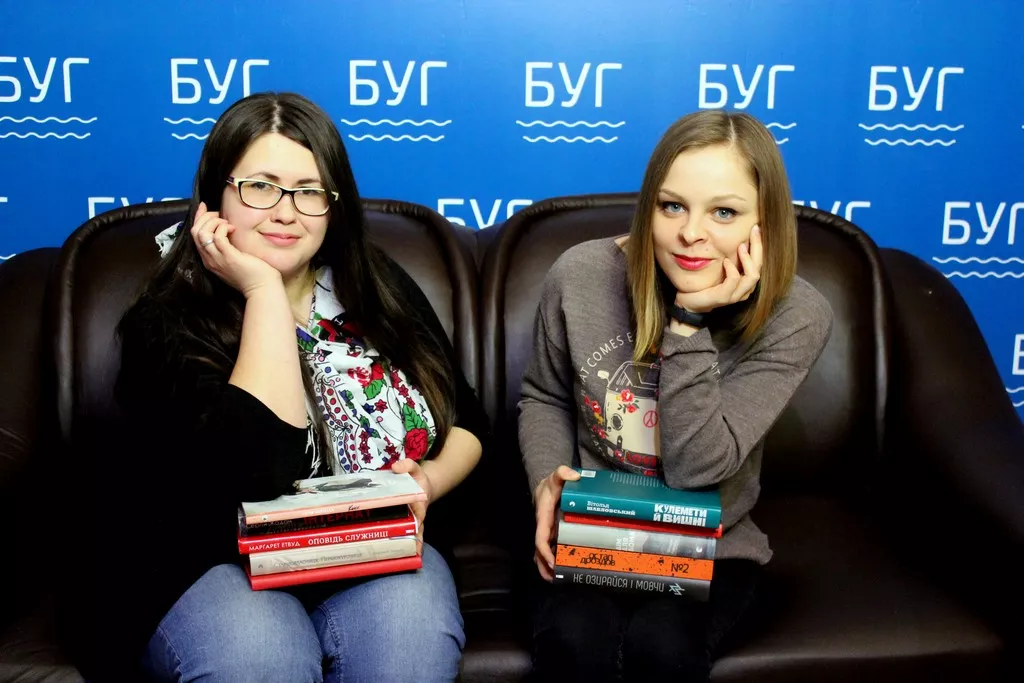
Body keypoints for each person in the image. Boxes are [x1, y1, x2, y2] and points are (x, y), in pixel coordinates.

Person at [65, 92, 487, 683]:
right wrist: (263, 291)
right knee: (263, 655)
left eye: (309, 191)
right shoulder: (164, 322)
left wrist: (428, 482)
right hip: (210, 565)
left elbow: (467, 419)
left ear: (334, 206)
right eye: (260, 187)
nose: (286, 212)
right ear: (215, 197)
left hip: (369, 552)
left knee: (410, 640)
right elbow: (259, 473)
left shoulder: (376, 287)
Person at [519, 110, 834, 681]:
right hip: (594, 529)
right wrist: (546, 481)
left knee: (661, 649)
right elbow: (545, 396)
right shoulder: (580, 274)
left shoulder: (796, 315)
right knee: (574, 641)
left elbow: (695, 469)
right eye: (672, 206)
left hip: (712, 546)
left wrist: (688, 324)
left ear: (764, 223)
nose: (692, 233)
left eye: (724, 212)